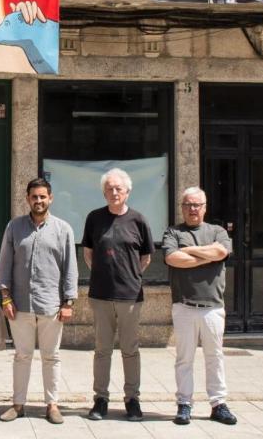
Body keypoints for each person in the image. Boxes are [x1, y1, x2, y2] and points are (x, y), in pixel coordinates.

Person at [0, 178, 77, 425]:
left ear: (50, 198)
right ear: (28, 199)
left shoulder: (63, 229)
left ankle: (52, 405)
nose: (39, 200)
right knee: (22, 355)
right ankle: (18, 404)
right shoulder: (15, 227)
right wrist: (6, 297)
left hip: (51, 304)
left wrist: (68, 302)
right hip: (19, 304)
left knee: (51, 356)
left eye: (43, 196)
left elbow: (70, 268)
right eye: (34, 196)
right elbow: (4, 264)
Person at [82, 168, 154, 422]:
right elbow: (88, 252)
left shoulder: (139, 220)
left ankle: (132, 400)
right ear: (104, 192)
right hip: (100, 295)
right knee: (102, 349)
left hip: (130, 297)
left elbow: (146, 257)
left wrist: (129, 276)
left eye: (118, 188)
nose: (114, 192)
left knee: (130, 350)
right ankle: (100, 399)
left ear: (128, 191)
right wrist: (104, 274)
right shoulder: (94, 218)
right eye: (109, 188)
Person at [161, 186, 237, 426]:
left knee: (215, 356)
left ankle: (218, 404)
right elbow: (173, 259)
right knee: (184, 358)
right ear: (182, 208)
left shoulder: (218, 231)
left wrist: (190, 251)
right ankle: (184, 404)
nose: (192, 209)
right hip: (184, 305)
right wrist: (207, 256)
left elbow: (221, 251)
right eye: (188, 205)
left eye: (197, 205)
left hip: (213, 306)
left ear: (205, 208)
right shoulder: (173, 232)